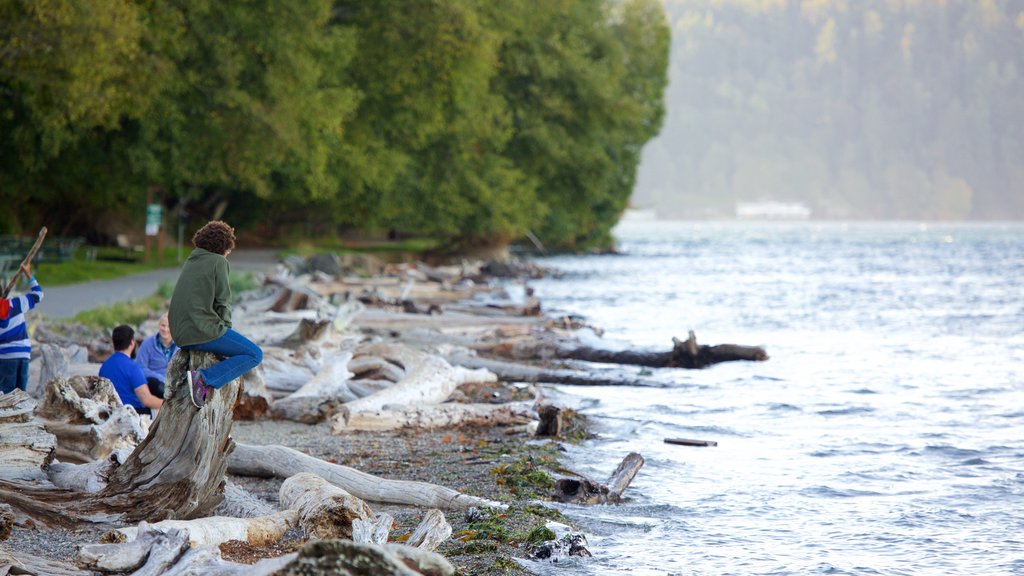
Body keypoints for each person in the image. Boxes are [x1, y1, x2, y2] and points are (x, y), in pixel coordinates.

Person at [169, 220, 262, 408]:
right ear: (223, 246)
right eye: (229, 248)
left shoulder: (192, 260)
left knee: (235, 351)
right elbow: (223, 302)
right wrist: (226, 331)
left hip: (180, 333)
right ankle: (203, 379)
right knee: (254, 354)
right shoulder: (218, 261)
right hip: (201, 329)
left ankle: (204, 379)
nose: (229, 252)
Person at [99, 325, 163, 415]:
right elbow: (147, 400)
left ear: (114, 343)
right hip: (131, 413)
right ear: (132, 343)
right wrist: (168, 403)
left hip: (111, 412)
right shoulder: (133, 367)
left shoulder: (104, 366)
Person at [0, 262, 43, 394]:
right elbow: (38, 295)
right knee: (21, 393)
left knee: (6, 394)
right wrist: (29, 274)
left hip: (5, 357)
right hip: (24, 353)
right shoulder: (15, 303)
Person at [134, 313, 176, 399]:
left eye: (169, 326)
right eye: (163, 325)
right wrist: (160, 378)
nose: (165, 329)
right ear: (158, 325)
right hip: (155, 385)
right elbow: (140, 368)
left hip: (175, 384)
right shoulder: (147, 344)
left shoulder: (179, 346)